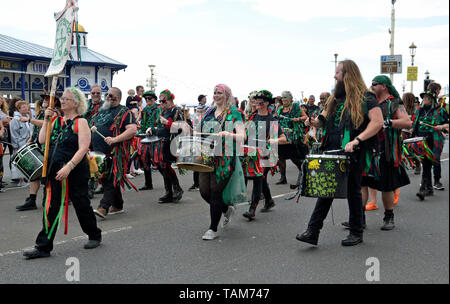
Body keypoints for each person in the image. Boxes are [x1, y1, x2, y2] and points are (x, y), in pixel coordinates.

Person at [296, 59, 383, 247]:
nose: (334, 76)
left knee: (353, 191)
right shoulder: (336, 97)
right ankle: (312, 231)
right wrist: (313, 122)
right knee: (326, 190)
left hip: (354, 151)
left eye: (337, 72)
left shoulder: (366, 97)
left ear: (347, 75)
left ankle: (356, 232)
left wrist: (357, 140)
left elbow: (377, 122)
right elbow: (323, 118)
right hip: (332, 148)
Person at [23, 87, 102, 260]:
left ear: (75, 103)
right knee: (50, 206)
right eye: (62, 98)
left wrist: (69, 167)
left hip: (75, 170)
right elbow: (42, 140)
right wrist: (46, 119)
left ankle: (94, 234)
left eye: (66, 99)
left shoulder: (81, 122)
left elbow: (83, 148)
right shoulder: (55, 120)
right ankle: (43, 246)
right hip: (54, 169)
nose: (62, 101)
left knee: (81, 204)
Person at [360, 75, 412, 230]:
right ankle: (359, 218)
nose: (372, 86)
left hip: (386, 151)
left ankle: (389, 217)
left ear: (384, 86)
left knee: (387, 186)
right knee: (362, 184)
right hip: (368, 150)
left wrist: (389, 122)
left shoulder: (395, 102)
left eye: (374, 84)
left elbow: (408, 123)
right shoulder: (369, 102)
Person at [197, 84, 246, 240]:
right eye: (214, 93)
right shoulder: (208, 112)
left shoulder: (235, 113)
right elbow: (200, 131)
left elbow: (242, 136)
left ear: (227, 95)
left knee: (216, 191)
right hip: (207, 156)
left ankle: (212, 229)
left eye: (219, 93)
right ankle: (226, 209)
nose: (215, 95)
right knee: (205, 192)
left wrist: (227, 134)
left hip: (225, 158)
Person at [92, 87, 138, 218]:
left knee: (111, 178)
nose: (107, 97)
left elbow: (132, 130)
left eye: (110, 95)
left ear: (117, 98)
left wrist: (115, 139)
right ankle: (118, 205)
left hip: (116, 152)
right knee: (107, 179)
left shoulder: (125, 111)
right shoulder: (101, 111)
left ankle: (103, 207)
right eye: (106, 94)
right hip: (99, 152)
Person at [242, 90, 287, 220]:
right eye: (256, 101)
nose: (257, 104)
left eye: (260, 102)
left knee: (258, 178)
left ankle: (252, 209)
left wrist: (275, 140)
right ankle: (269, 200)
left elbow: (284, 138)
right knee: (261, 179)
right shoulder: (251, 117)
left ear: (267, 103)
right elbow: (245, 134)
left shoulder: (272, 120)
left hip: (266, 154)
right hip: (251, 153)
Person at [16, 95, 54, 211]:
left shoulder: (54, 113)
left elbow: (45, 124)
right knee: (34, 172)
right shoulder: (41, 112)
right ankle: (32, 199)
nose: (44, 101)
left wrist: (29, 120)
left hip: (48, 146)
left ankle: (54, 198)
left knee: (49, 174)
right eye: (43, 99)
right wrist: (31, 138)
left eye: (47, 99)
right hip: (38, 144)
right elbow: (37, 128)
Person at [412, 89, 449, 200]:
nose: (424, 100)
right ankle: (427, 189)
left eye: (427, 98)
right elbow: (414, 124)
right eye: (423, 97)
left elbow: (447, 123)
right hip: (421, 140)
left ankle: (424, 188)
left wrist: (441, 127)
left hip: (434, 140)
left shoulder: (440, 111)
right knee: (426, 163)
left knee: (430, 162)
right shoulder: (419, 110)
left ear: (432, 100)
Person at [152, 90, 184, 203]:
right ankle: (169, 192)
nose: (161, 103)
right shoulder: (164, 111)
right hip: (162, 142)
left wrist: (168, 123)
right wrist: (153, 130)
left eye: (163, 101)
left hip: (172, 142)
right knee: (161, 165)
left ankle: (177, 188)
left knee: (165, 165)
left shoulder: (176, 110)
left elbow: (181, 127)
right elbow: (161, 127)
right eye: (160, 101)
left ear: (170, 100)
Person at [275, 91, 308, 189]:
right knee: (280, 157)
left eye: (285, 98)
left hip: (292, 135)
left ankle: (302, 173)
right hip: (281, 136)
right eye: (283, 99)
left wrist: (297, 119)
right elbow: (277, 119)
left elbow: (305, 117)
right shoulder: (280, 108)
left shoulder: (295, 107)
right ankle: (283, 177)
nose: (284, 100)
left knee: (293, 157)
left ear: (290, 99)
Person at [138, 90, 159, 191]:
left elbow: (159, 123)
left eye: (149, 99)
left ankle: (170, 185)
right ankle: (148, 183)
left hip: (157, 138)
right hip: (146, 138)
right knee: (145, 159)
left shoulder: (159, 108)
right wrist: (141, 133)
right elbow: (143, 123)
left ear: (154, 99)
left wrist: (153, 129)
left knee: (159, 162)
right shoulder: (145, 110)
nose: (147, 100)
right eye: (145, 99)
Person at [10, 100, 33, 187]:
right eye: (23, 107)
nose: (26, 108)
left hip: (28, 142)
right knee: (20, 162)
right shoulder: (15, 119)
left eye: (26, 106)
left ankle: (26, 178)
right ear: (18, 109)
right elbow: (14, 133)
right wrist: (15, 145)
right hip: (20, 143)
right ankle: (21, 180)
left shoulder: (27, 117)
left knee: (27, 161)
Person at [188, 104, 207, 191]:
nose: (199, 112)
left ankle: (200, 184)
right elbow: (194, 130)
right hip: (196, 141)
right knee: (195, 163)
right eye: (198, 111)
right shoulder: (195, 118)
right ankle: (196, 183)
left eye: (201, 111)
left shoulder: (206, 119)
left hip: (203, 142)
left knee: (202, 163)